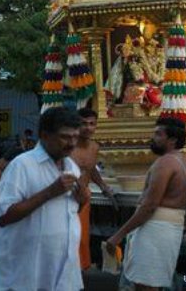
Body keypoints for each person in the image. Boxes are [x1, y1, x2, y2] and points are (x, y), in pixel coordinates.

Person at [0, 107, 90, 291]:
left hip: (63, 272)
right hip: (27, 273)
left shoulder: (71, 166)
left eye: (75, 137)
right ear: (44, 135)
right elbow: (3, 217)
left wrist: (82, 199)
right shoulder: (22, 165)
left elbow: (68, 211)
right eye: (65, 137)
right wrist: (49, 192)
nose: (72, 143)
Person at [105, 117, 186, 291]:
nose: (154, 138)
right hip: (170, 227)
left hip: (156, 228)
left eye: (159, 134)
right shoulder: (185, 161)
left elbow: (149, 206)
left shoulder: (165, 162)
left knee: (145, 285)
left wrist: (119, 235)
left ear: (173, 140)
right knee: (152, 283)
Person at [70, 108, 116, 270]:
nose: (88, 128)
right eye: (84, 124)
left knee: (82, 239)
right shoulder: (68, 146)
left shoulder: (94, 147)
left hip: (84, 199)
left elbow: (90, 169)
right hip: (65, 199)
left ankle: (79, 276)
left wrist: (103, 186)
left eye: (92, 124)